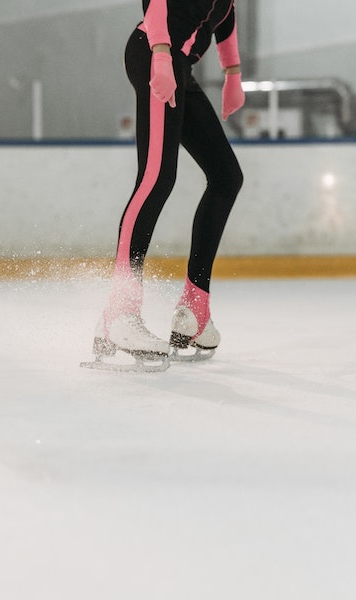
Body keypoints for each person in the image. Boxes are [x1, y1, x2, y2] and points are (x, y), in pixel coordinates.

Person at [90, 0, 245, 370]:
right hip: (154, 50)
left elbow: (225, 18)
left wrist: (233, 72)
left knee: (226, 177)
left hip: (180, 63)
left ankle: (194, 311)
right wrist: (160, 52)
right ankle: (119, 312)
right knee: (156, 177)